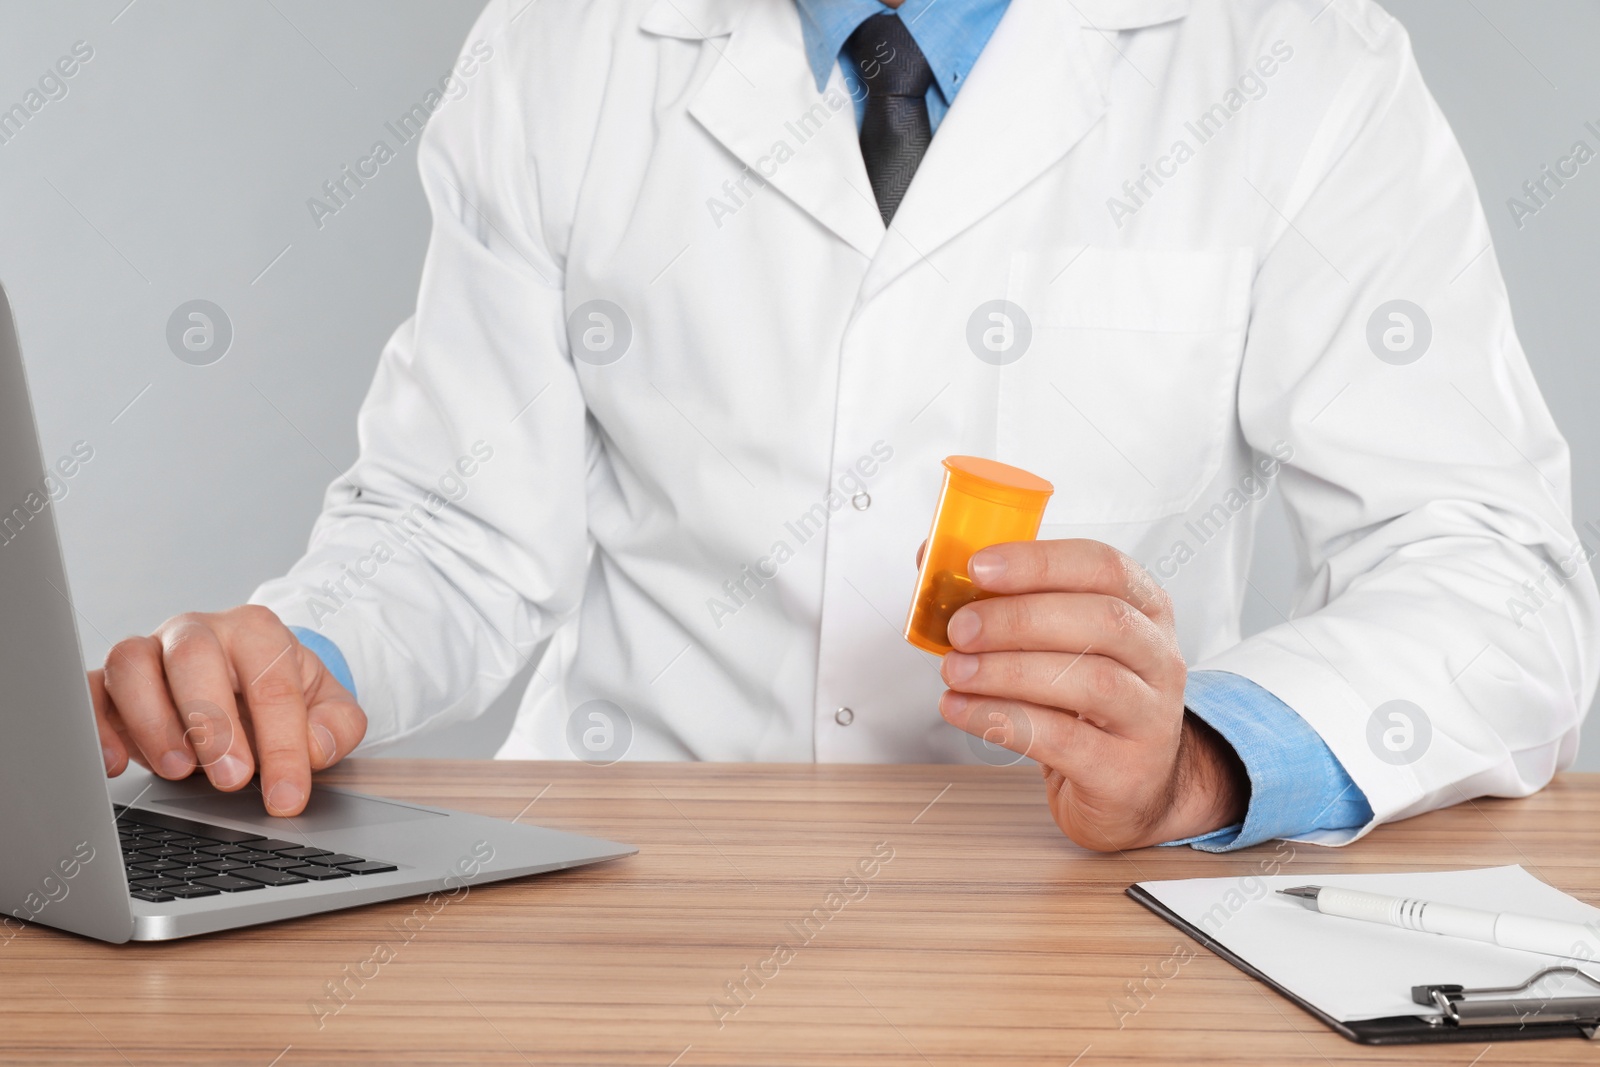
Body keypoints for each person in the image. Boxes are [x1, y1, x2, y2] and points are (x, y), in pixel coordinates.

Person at [90, 0, 1598, 853]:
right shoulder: (565, 44)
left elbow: (1490, 576)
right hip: (622, 907)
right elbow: (455, 529)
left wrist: (1203, 756)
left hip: (1063, 919)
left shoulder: (1296, 62)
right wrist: (308, 661)